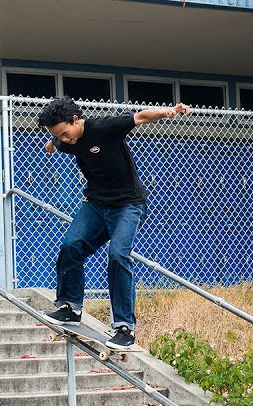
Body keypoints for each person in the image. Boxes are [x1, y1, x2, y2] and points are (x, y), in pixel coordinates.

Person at [37, 96, 189, 351]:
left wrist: (168, 112)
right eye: (59, 136)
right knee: (70, 246)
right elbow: (58, 140)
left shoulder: (104, 127)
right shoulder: (66, 140)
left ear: (76, 120)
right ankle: (69, 307)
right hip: (96, 204)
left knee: (118, 255)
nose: (65, 139)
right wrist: (53, 143)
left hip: (128, 205)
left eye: (65, 133)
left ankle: (124, 328)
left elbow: (140, 117)